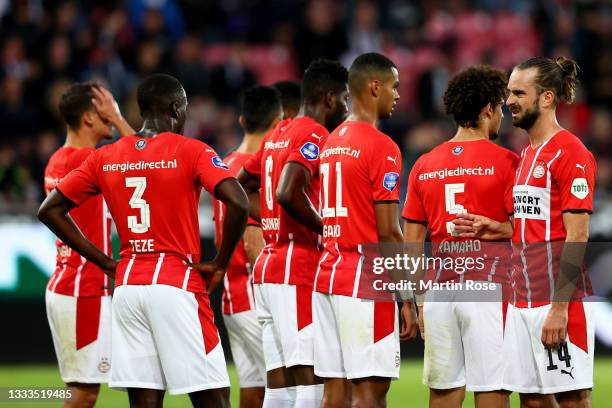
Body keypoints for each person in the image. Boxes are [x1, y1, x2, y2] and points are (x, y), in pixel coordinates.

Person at [38, 73, 249, 408]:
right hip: (175, 281)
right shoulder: (191, 150)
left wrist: (105, 261)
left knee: (145, 399)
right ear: (177, 109)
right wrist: (221, 261)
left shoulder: (105, 156)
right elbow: (238, 201)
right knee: (213, 395)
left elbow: (49, 209)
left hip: (127, 287)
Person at [453, 57, 596, 407]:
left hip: (557, 301)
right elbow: (533, 224)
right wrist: (500, 228)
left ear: (546, 98)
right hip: (521, 301)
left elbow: (577, 236)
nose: (509, 101)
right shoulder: (528, 154)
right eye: (508, 93)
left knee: (572, 398)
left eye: (518, 92)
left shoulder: (570, 152)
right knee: (532, 400)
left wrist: (559, 309)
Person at [402, 65, 518, 408]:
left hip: (440, 292)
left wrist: (418, 301)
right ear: (487, 110)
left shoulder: (424, 164)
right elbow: (527, 232)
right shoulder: (508, 162)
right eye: (499, 109)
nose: (501, 117)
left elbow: (410, 243)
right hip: (489, 286)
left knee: (443, 392)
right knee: (493, 389)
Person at [238, 59, 349, 408]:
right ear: (329, 98)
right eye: (346, 99)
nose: (348, 109)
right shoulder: (314, 133)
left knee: (279, 382)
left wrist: (268, 216)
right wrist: (327, 229)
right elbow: (288, 192)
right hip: (297, 266)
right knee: (310, 377)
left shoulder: (278, 133)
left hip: (270, 270)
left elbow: (238, 188)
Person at [312, 52, 417, 408]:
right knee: (370, 393)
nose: (398, 95)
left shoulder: (331, 141)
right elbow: (388, 232)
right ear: (375, 87)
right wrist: (407, 295)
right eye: (394, 86)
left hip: (327, 276)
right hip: (365, 278)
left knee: (334, 392)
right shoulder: (381, 146)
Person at [44, 82, 132, 408]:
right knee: (84, 394)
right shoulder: (89, 160)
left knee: (80, 389)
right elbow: (148, 155)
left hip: (67, 283)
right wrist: (121, 119)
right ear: (88, 118)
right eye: (104, 111)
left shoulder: (57, 158)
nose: (110, 115)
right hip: (83, 290)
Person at [213, 86, 283, 408]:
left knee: (253, 389)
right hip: (257, 301)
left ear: (242, 120)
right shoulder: (261, 169)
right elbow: (254, 244)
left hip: (232, 299)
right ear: (279, 122)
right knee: (286, 386)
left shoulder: (223, 165)